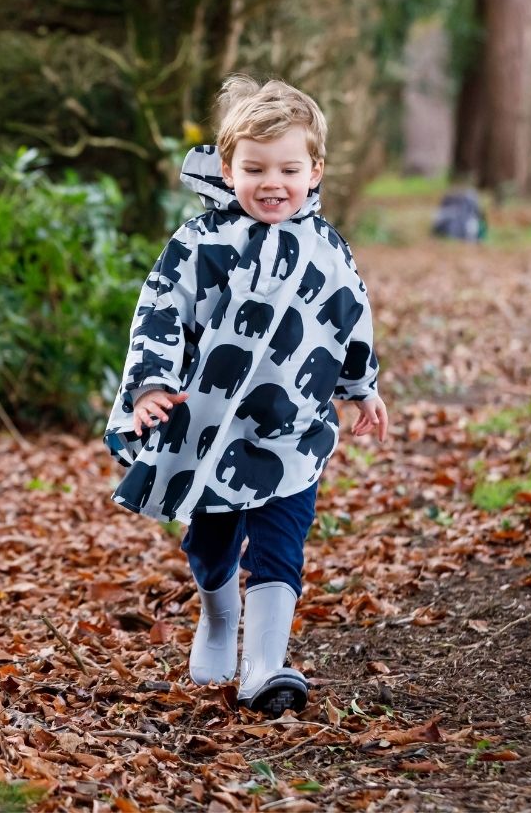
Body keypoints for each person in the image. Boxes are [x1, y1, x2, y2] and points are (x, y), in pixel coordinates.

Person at [104, 75, 389, 717]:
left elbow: (349, 317)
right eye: (254, 168)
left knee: (280, 543)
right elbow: (160, 312)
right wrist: (150, 385)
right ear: (227, 168)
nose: (272, 183)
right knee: (211, 543)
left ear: (314, 171)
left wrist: (361, 388)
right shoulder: (199, 244)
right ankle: (215, 619)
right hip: (211, 430)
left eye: (289, 169)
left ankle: (265, 666)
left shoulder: (327, 250)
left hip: (291, 431)